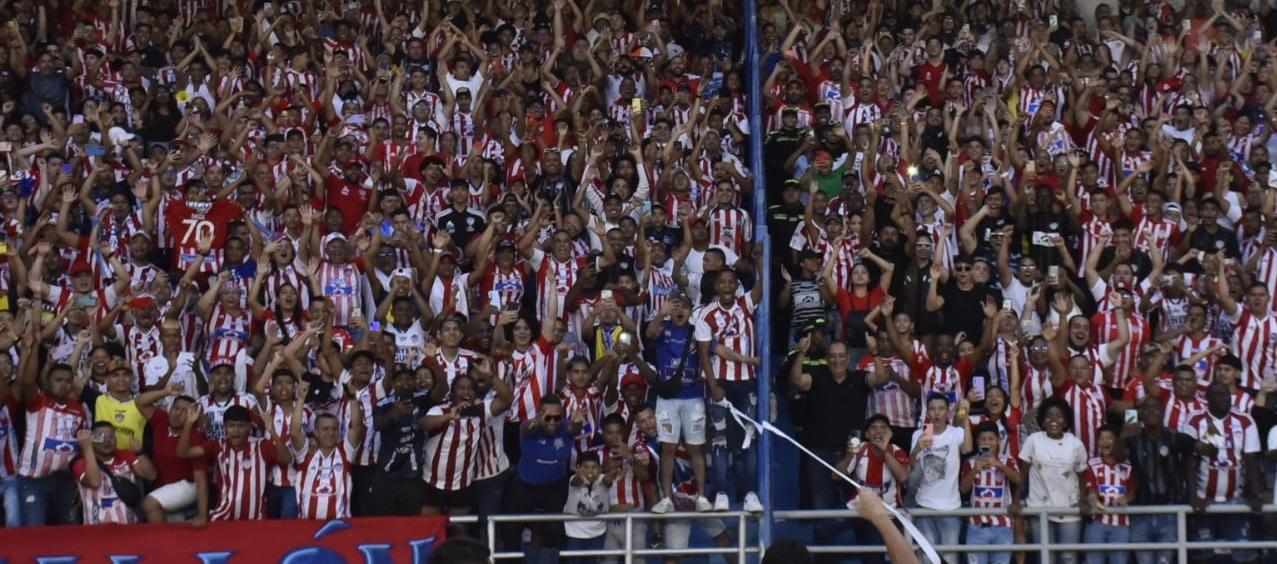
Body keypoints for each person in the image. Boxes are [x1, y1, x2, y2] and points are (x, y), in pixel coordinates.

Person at [1185, 382, 1267, 564]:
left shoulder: (1245, 421)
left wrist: (1256, 493)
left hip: (1235, 499)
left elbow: (1251, 459)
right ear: (1208, 399)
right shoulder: (1195, 420)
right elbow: (1190, 460)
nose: (1225, 399)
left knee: (1245, 555)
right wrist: (1192, 495)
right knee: (1202, 555)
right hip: (1203, 498)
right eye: (1219, 395)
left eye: (1226, 395)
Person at [502, 396, 584, 564]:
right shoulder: (528, 426)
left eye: (557, 417)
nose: (553, 422)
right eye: (548, 417)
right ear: (539, 415)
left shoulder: (566, 426)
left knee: (554, 531)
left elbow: (573, 430)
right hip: (524, 486)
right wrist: (538, 424)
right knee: (510, 529)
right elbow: (527, 430)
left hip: (554, 487)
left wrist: (578, 423)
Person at [177, 404, 293, 521]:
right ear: (225, 427)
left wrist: (273, 432)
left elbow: (286, 459)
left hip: (256, 520)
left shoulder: (261, 446)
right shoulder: (218, 445)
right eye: (231, 426)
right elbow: (183, 453)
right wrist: (188, 423)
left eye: (241, 426)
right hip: (222, 517)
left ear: (249, 427)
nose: (236, 431)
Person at [1020, 397, 1090, 564]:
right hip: (1039, 508)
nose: (1053, 421)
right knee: (1046, 559)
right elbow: (1022, 473)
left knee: (1068, 558)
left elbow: (1081, 474)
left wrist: (1083, 500)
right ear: (1042, 421)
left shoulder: (1076, 444)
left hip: (1069, 509)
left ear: (1065, 421)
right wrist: (1017, 500)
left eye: (1058, 417)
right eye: (1049, 417)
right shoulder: (1033, 440)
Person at [910, 393, 966, 564]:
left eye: (941, 409)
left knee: (950, 558)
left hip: (951, 507)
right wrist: (918, 447)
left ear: (948, 412)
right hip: (924, 504)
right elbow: (910, 466)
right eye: (932, 409)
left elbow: (968, 448)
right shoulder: (918, 434)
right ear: (927, 412)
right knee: (926, 558)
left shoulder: (956, 433)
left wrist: (965, 413)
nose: (937, 413)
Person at [960, 422, 1021, 564]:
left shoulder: (1008, 460)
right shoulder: (970, 462)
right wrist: (975, 470)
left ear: (998, 440)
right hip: (976, 525)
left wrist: (999, 465)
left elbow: (1018, 479)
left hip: (1003, 525)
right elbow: (963, 489)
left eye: (991, 439)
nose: (987, 443)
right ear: (977, 441)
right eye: (983, 439)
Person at [72, 422, 156, 524]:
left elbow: (151, 475)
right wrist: (87, 448)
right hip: (96, 528)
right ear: (92, 439)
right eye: (101, 437)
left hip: (129, 527)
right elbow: (94, 482)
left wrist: (139, 452)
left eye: (111, 437)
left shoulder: (125, 455)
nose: (107, 441)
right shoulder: (80, 463)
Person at [1083, 427, 1135, 564]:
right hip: (1097, 522)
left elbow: (1132, 491)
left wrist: (1126, 498)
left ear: (1116, 442)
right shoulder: (1093, 464)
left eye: (1109, 438)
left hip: (1121, 523)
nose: (1105, 442)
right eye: (1101, 438)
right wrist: (1092, 496)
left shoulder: (1127, 466)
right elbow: (1091, 488)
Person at [563, 452, 611, 563]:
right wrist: (582, 477)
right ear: (578, 468)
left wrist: (612, 476)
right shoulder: (574, 479)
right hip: (575, 533)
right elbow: (576, 482)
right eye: (586, 467)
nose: (590, 471)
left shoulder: (602, 479)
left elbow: (608, 481)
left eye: (594, 467)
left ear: (600, 469)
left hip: (597, 533)